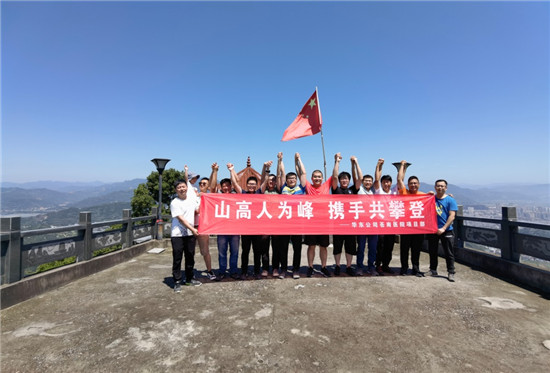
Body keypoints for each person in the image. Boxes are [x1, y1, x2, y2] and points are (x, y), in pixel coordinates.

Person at [296, 152, 333, 278]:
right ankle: (310, 267)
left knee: (324, 247)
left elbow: (336, 175)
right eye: (315, 177)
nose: (317, 178)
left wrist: (336, 161)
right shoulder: (308, 186)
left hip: (324, 222)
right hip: (310, 222)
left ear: (322, 178)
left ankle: (323, 267)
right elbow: (300, 174)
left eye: (319, 177)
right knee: (311, 246)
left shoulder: (326, 185)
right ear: (312, 178)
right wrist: (298, 160)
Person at [229, 163, 269, 279]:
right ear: (246, 185)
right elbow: (235, 183)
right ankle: (244, 271)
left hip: (257, 229)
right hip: (245, 229)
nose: (251, 186)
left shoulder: (259, 193)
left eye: (253, 184)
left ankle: (257, 271)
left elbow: (265, 181)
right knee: (245, 251)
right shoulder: (243, 193)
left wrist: (267, 170)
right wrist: (232, 170)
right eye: (250, 184)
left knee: (257, 251)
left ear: (256, 185)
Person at [209, 162, 240, 280]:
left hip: (235, 229)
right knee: (222, 253)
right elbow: (212, 187)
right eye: (224, 186)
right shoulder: (218, 196)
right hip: (221, 229)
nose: (226, 187)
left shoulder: (236, 195)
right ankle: (222, 271)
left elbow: (237, 182)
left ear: (231, 187)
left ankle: (233, 270)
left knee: (235, 253)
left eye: (228, 185)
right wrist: (215, 171)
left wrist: (232, 170)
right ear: (221, 187)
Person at [277, 152, 306, 279]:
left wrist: (299, 160)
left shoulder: (301, 188)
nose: (292, 180)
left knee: (297, 248)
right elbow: (281, 174)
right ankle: (283, 269)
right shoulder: (283, 188)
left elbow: (303, 174)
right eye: (290, 179)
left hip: (298, 223)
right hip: (284, 223)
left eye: (294, 178)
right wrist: (280, 160)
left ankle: (295, 270)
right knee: (283, 248)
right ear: (287, 180)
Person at [185, 167, 216, 281]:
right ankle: (190, 272)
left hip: (203, 227)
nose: (202, 185)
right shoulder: (193, 194)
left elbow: (213, 185)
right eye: (201, 183)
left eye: (204, 183)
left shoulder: (209, 197)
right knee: (190, 251)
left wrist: (213, 171)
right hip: (191, 226)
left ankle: (209, 270)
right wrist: (186, 172)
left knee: (205, 251)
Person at [170, 179, 201, 292]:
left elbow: (197, 210)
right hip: (177, 234)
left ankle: (189, 278)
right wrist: (193, 229)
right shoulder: (174, 202)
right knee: (177, 258)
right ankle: (177, 281)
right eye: (179, 187)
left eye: (183, 186)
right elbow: (181, 219)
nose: (182, 189)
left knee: (190, 257)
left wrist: (202, 197)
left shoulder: (191, 200)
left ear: (187, 187)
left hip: (190, 234)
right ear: (176, 190)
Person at [397, 160, 426, 277]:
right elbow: (399, 180)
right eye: (411, 183)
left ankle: (415, 268)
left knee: (416, 250)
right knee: (404, 249)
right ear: (408, 185)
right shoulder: (405, 193)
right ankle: (404, 268)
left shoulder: (424, 195)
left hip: (418, 228)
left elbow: (436, 200)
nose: (413, 185)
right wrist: (402, 166)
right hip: (406, 227)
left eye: (415, 183)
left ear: (419, 184)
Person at [352, 156, 379, 276]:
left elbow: (378, 179)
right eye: (366, 181)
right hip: (362, 223)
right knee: (361, 247)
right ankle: (359, 267)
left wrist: (379, 166)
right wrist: (356, 163)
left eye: (370, 181)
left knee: (373, 248)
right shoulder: (360, 190)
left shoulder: (374, 191)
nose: (368, 182)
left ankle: (371, 266)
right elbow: (358, 177)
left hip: (373, 223)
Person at [331, 153, 357, 276]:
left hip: (351, 224)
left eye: (346, 178)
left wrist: (354, 164)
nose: (344, 180)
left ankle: (348, 266)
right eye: (342, 179)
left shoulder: (353, 190)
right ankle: (337, 266)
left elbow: (359, 179)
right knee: (337, 246)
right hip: (338, 223)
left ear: (349, 180)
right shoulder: (336, 189)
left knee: (350, 247)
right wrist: (337, 161)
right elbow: (334, 176)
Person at [427, 179, 458, 282]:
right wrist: (427, 195)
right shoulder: (431, 199)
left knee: (449, 252)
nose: (440, 188)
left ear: (446, 188)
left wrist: (443, 228)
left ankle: (451, 272)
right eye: (438, 186)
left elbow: (452, 215)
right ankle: (432, 270)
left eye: (442, 186)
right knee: (432, 251)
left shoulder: (450, 200)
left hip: (447, 230)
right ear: (435, 187)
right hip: (433, 229)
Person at [261, 160, 286, 279]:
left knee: (276, 248)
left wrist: (279, 162)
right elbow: (262, 179)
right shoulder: (263, 191)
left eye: (273, 180)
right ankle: (265, 268)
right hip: (265, 224)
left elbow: (281, 175)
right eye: (269, 180)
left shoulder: (279, 190)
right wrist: (265, 167)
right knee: (264, 248)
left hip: (277, 224)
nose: (271, 182)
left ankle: (276, 267)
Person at [373, 159, 399, 275]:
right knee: (381, 246)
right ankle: (378, 265)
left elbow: (400, 180)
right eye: (385, 182)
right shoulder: (379, 192)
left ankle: (386, 265)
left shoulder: (394, 192)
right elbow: (377, 179)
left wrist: (401, 167)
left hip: (391, 224)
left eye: (388, 182)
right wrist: (379, 165)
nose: (386, 184)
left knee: (389, 246)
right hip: (381, 223)